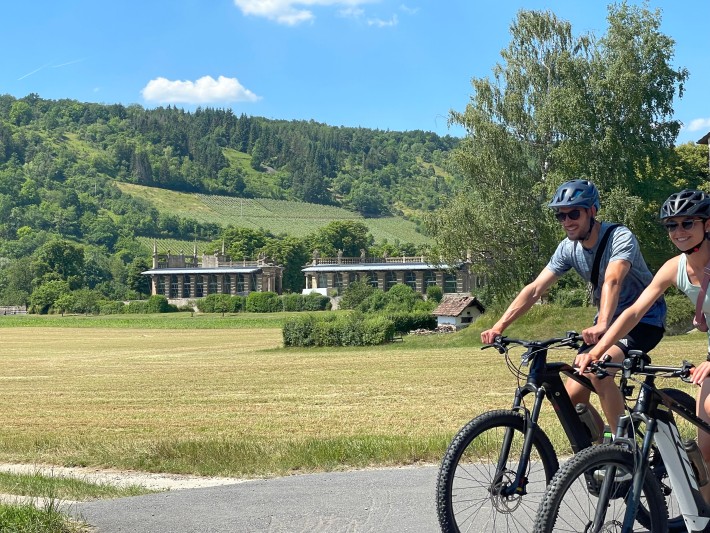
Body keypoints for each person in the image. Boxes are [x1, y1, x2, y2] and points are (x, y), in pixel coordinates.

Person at [481, 179, 666, 436]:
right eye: (560, 215)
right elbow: (535, 289)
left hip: (643, 321)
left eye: (574, 213)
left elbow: (613, 279)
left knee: (600, 374)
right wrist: (499, 326)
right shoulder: (568, 248)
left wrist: (602, 323)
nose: (567, 221)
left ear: (592, 211)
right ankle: (602, 451)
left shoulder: (620, 237)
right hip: (605, 325)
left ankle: (626, 451)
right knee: (571, 400)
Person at [578, 189, 710, 465]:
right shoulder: (675, 267)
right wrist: (597, 350)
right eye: (671, 225)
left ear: (707, 224)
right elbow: (635, 311)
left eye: (687, 223)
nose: (678, 231)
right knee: (706, 453)